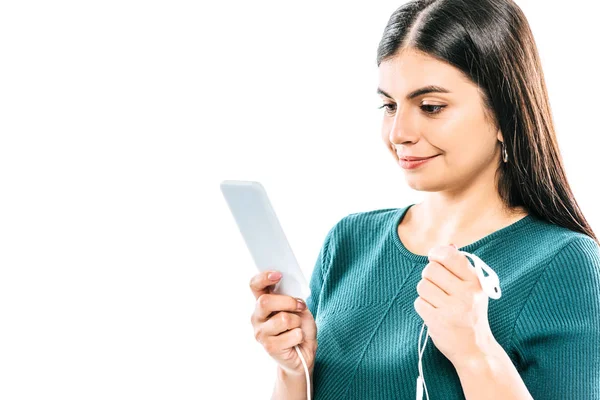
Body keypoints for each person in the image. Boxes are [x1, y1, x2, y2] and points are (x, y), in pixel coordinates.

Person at [249, 0, 600, 398]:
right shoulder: (349, 241)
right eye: (389, 106)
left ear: (506, 114)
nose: (399, 132)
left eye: (431, 107)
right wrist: (293, 371)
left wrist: (475, 352)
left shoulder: (562, 261)